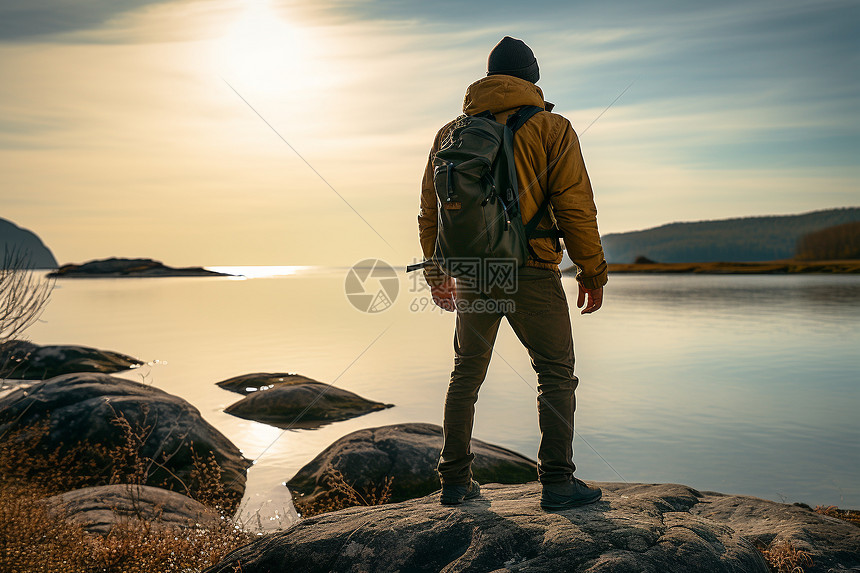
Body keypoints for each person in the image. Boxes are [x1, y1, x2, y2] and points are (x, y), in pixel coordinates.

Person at [417, 36, 609, 510]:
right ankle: (559, 484)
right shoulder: (552, 128)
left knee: (466, 375)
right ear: (533, 79)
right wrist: (592, 272)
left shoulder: (451, 133)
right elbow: (576, 208)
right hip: (534, 269)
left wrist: (438, 271)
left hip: (475, 272)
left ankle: (455, 482)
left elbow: (432, 210)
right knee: (555, 375)